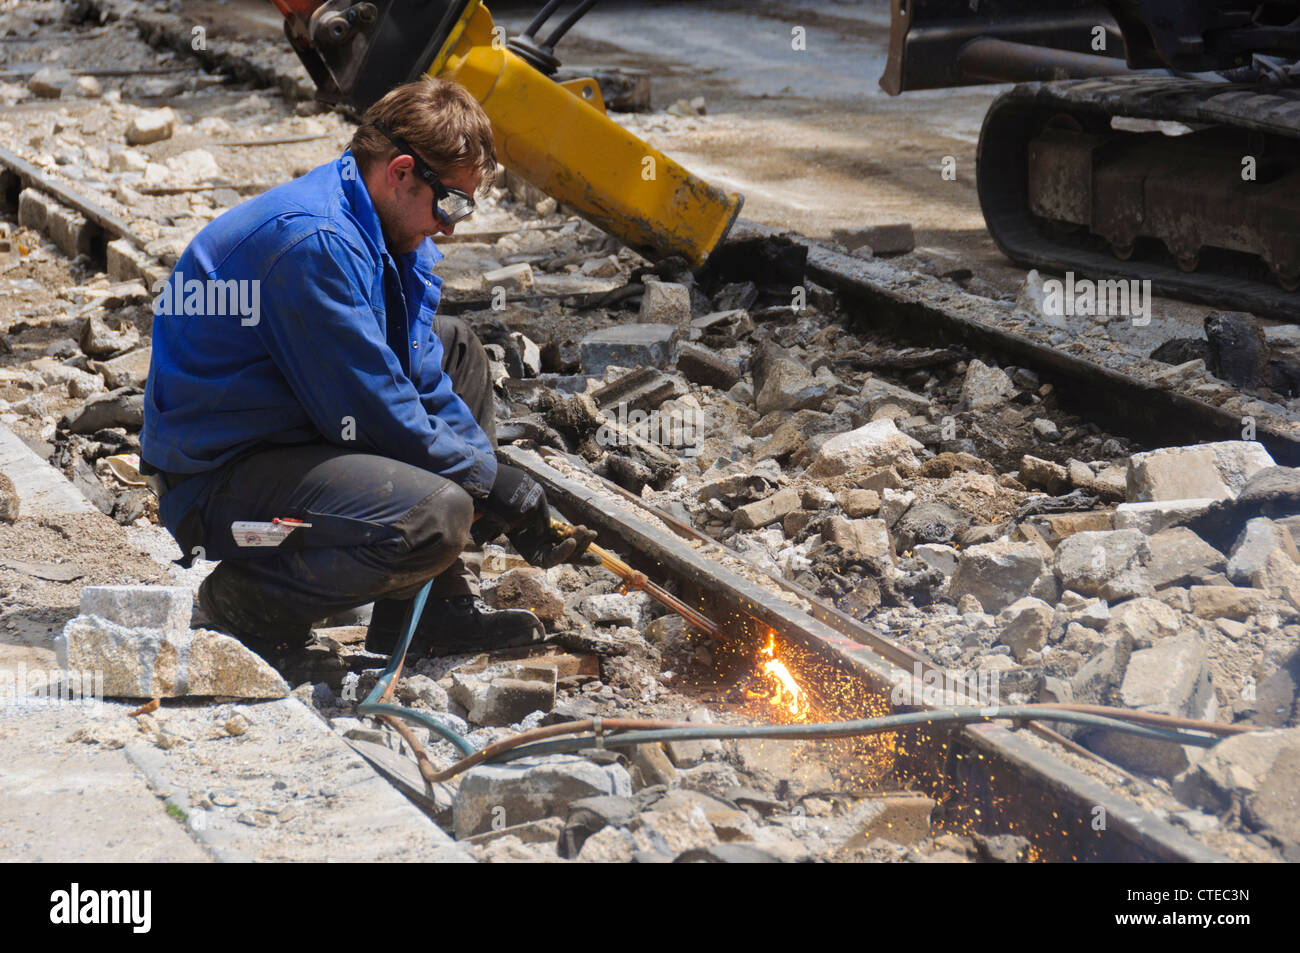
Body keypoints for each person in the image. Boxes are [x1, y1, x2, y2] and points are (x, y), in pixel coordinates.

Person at [140, 77, 589, 666]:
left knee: (458, 350)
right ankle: (250, 603)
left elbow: (422, 375)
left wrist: (491, 477)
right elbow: (375, 410)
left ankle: (430, 610)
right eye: (451, 202)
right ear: (401, 171)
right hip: (218, 486)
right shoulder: (314, 243)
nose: (452, 225)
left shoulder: (386, 227)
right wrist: (486, 486)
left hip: (290, 433)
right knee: (436, 514)